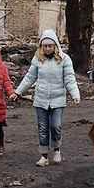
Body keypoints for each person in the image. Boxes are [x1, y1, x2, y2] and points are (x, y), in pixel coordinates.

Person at [13, 30, 80, 167]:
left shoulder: (64, 59)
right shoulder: (37, 59)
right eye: (45, 46)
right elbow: (30, 78)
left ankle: (56, 150)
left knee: (55, 126)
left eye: (50, 45)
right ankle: (44, 156)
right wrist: (18, 92)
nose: (48, 48)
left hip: (57, 99)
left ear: (55, 45)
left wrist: (75, 94)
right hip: (41, 99)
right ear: (41, 46)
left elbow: (69, 79)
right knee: (43, 128)